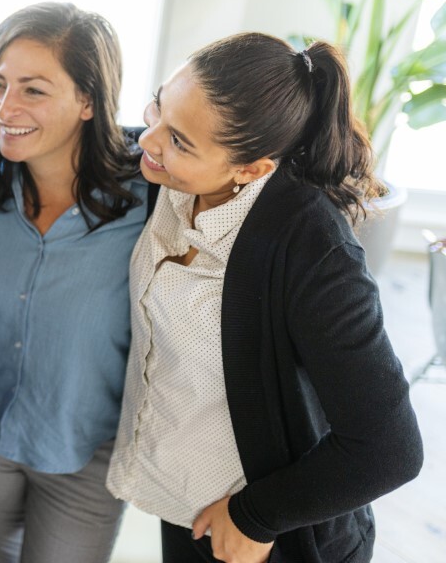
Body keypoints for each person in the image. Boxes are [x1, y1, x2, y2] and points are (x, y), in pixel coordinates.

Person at [105, 33, 423, 563]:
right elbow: (76, 130)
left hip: (267, 536)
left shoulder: (314, 250)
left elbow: (391, 450)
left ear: (252, 169)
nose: (149, 140)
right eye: (158, 107)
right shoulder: (176, 170)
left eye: (179, 140)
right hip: (185, 503)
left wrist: (255, 516)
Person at [0, 3, 148, 563]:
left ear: (88, 100)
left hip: (86, 451)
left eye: (34, 90)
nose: (5, 108)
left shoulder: (150, 199)